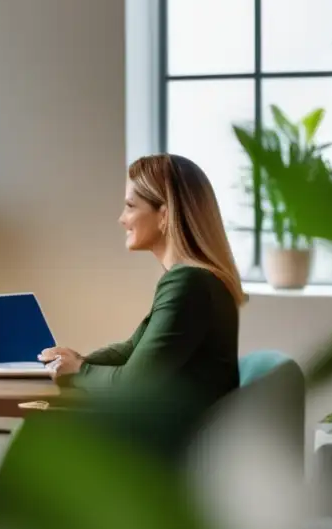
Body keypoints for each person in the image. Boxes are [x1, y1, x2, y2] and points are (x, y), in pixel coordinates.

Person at [40, 153, 244, 403]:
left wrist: (80, 370)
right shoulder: (196, 279)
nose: (121, 219)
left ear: (164, 215)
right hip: (181, 428)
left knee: (32, 424)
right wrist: (75, 360)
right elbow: (133, 350)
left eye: (130, 206)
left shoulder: (189, 283)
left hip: (168, 439)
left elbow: (134, 385)